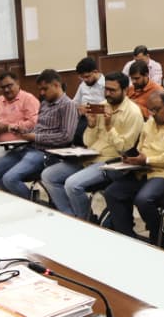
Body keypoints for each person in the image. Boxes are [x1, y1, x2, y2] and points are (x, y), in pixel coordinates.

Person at [42, 72, 143, 221]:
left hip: (111, 162)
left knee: (72, 184)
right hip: (90, 156)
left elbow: (124, 148)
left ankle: (85, 220)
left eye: (112, 90)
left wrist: (109, 127)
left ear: (125, 90)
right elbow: (89, 142)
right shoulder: (102, 106)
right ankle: (70, 216)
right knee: (48, 175)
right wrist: (91, 125)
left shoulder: (133, 113)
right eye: (106, 89)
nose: (107, 94)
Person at [102, 90, 164, 242]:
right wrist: (132, 160)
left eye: (156, 109)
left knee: (144, 199)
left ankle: (157, 235)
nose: (152, 114)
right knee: (112, 193)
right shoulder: (149, 124)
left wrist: (147, 160)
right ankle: (126, 236)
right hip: (143, 170)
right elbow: (141, 149)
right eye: (150, 110)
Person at [0, 70, 77, 198]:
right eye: (40, 90)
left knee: (10, 179)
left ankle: (31, 202)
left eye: (45, 89)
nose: (42, 93)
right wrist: (21, 130)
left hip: (46, 153)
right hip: (27, 147)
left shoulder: (68, 105)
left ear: (56, 85)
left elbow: (66, 137)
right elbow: (37, 127)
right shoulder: (45, 104)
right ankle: (17, 199)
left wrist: (35, 137)